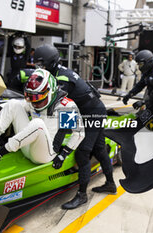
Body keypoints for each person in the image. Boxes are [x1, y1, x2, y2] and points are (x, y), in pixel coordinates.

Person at [34, 44, 116, 210]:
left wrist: (57, 146)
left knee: (83, 152)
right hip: (93, 108)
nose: (39, 67)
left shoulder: (62, 80)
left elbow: (64, 112)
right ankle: (110, 184)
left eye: (41, 64)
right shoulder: (57, 71)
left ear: (50, 62)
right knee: (99, 149)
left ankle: (82, 195)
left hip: (92, 113)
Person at [0, 68, 85, 166]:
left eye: (38, 98)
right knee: (13, 104)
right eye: (31, 97)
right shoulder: (33, 101)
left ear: (50, 91)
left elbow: (79, 134)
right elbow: (13, 110)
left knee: (37, 124)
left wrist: (64, 154)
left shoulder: (66, 105)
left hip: (45, 154)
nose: (35, 102)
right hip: (26, 148)